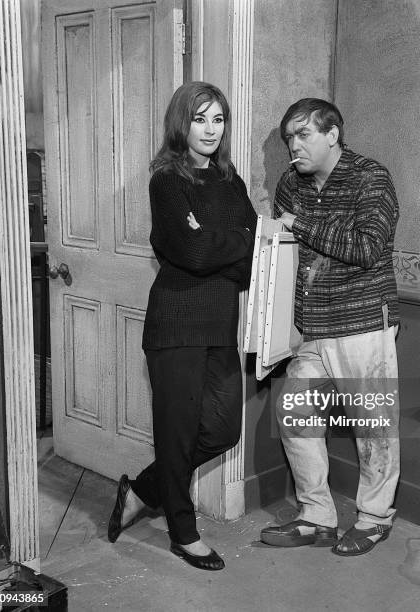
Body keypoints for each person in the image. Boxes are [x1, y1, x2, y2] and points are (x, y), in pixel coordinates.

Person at [108, 81, 257, 571]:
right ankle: (183, 531)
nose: (211, 129)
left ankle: (144, 490)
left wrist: (218, 240)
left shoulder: (230, 180)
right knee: (175, 436)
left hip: (219, 325)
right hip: (174, 325)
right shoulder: (167, 181)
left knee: (222, 431)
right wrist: (227, 241)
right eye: (200, 118)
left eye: (218, 119)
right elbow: (191, 255)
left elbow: (251, 258)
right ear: (181, 123)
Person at [260, 98, 401, 556]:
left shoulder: (370, 178)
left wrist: (300, 224)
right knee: (295, 416)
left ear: (333, 134)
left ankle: (375, 518)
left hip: (362, 323)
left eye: (303, 135)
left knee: (373, 426)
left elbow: (366, 248)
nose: (293, 147)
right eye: (288, 139)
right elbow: (284, 248)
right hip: (311, 328)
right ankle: (317, 515)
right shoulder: (290, 184)